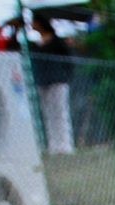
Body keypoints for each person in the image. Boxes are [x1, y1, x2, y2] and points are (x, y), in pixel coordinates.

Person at [29, 13, 75, 155]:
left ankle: (65, 145)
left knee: (60, 112)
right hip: (43, 81)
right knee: (48, 113)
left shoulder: (57, 41)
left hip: (58, 80)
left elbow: (69, 61)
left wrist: (66, 76)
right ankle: (53, 145)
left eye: (34, 22)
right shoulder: (36, 44)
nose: (31, 25)